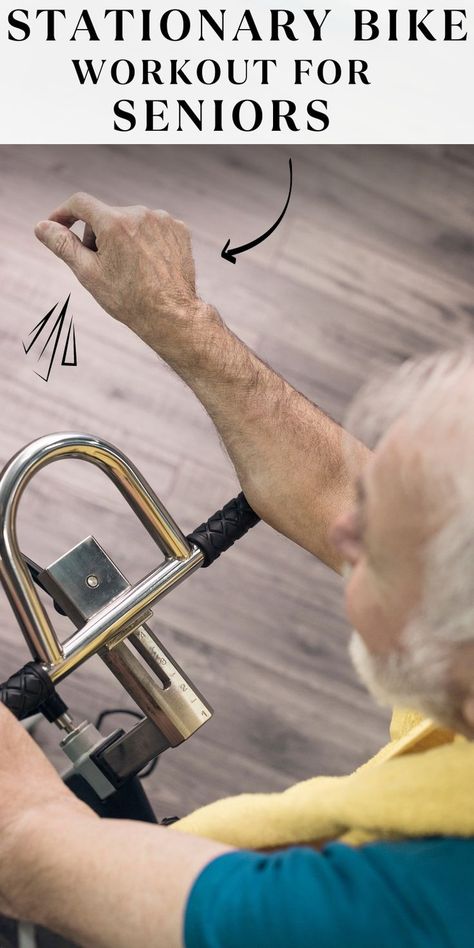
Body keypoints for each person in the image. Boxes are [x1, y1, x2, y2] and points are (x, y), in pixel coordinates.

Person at [0, 194, 471, 948]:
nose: (345, 527)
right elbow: (333, 488)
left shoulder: (401, 910)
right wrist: (176, 316)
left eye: (377, 551)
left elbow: (26, 846)